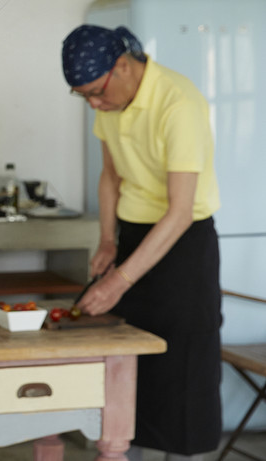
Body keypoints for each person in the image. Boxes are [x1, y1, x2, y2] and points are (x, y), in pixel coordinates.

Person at [62, 25, 222, 461]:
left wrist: (119, 282)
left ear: (123, 66)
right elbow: (111, 176)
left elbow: (180, 210)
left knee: (181, 369)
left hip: (183, 243)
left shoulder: (178, 102)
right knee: (130, 360)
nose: (94, 104)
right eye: (84, 97)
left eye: (96, 92)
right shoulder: (109, 101)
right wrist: (108, 241)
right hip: (134, 237)